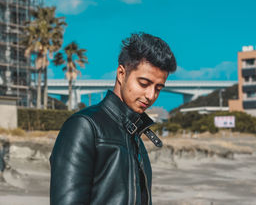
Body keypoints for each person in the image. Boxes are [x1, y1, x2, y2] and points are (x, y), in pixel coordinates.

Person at [50, 32, 177, 205]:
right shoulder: (84, 127)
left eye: (158, 88)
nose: (151, 95)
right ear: (121, 73)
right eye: (144, 83)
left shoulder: (135, 136)